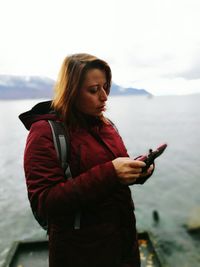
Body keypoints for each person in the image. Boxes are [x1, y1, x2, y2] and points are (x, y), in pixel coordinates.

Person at [19, 53, 154, 267]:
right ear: (71, 92)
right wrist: (111, 173)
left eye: (105, 87)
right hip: (80, 254)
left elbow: (116, 172)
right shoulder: (44, 132)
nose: (104, 97)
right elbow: (44, 202)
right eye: (93, 90)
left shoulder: (106, 124)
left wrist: (137, 171)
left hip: (124, 246)